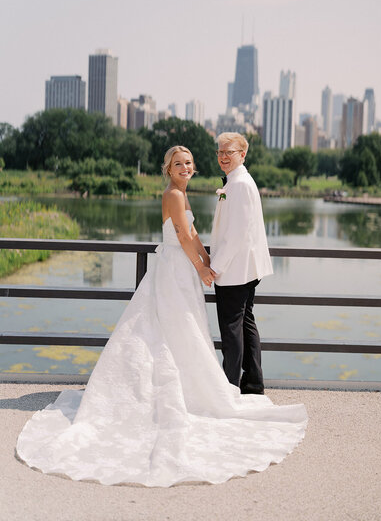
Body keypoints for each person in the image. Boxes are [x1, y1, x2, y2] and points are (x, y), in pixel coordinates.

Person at [16, 145, 307, 488]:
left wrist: (207, 261)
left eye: (188, 163)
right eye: (178, 164)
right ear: (168, 169)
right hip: (173, 270)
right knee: (170, 327)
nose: (184, 168)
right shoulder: (171, 194)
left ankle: (187, 385)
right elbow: (182, 236)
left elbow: (195, 235)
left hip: (184, 269)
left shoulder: (182, 195)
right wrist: (202, 268)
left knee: (185, 329)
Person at [211, 132, 273, 394]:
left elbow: (236, 234)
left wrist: (215, 268)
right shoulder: (238, 181)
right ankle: (253, 382)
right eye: (220, 152)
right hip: (244, 268)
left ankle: (231, 386)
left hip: (236, 270)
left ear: (242, 154)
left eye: (229, 152)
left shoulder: (240, 184)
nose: (224, 157)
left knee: (231, 330)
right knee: (245, 324)